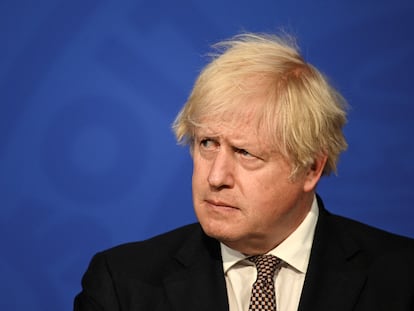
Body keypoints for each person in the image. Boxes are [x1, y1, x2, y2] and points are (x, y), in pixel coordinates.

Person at [74, 33, 414, 311]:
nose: (216, 177)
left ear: (311, 167)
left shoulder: (401, 279)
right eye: (207, 144)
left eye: (245, 152)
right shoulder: (122, 285)